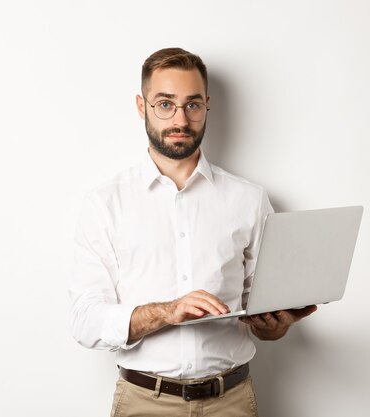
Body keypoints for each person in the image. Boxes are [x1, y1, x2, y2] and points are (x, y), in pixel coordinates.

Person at [69, 47, 317, 417]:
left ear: (207, 106)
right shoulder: (105, 204)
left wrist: (273, 326)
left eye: (193, 105)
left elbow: (259, 303)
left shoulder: (249, 199)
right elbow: (85, 320)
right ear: (142, 106)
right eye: (165, 104)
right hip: (144, 403)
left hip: (231, 401)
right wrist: (167, 311)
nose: (180, 119)